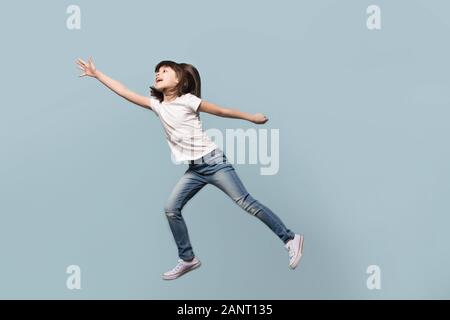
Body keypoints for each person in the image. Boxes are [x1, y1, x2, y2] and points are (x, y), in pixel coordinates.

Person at [76, 58, 304, 280]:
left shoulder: (188, 101)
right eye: (157, 71)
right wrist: (97, 75)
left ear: (180, 80)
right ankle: (188, 259)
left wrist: (251, 118)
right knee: (171, 208)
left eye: (165, 71)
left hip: (213, 162)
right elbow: (124, 91)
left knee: (245, 202)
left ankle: (290, 238)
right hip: (195, 169)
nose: (158, 73)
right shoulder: (157, 105)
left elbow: (221, 111)